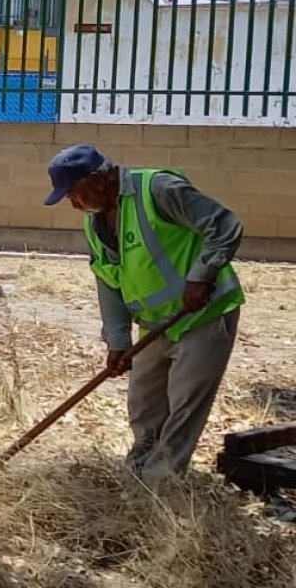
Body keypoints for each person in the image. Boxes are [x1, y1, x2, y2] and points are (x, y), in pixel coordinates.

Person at [43, 144, 246, 480]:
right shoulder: (95, 224)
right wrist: (118, 340)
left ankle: (158, 486)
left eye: (75, 194)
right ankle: (137, 474)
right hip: (154, 325)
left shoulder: (158, 189)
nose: (74, 204)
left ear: (98, 180)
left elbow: (224, 225)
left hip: (202, 316)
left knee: (183, 408)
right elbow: (108, 281)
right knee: (145, 407)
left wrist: (202, 275)